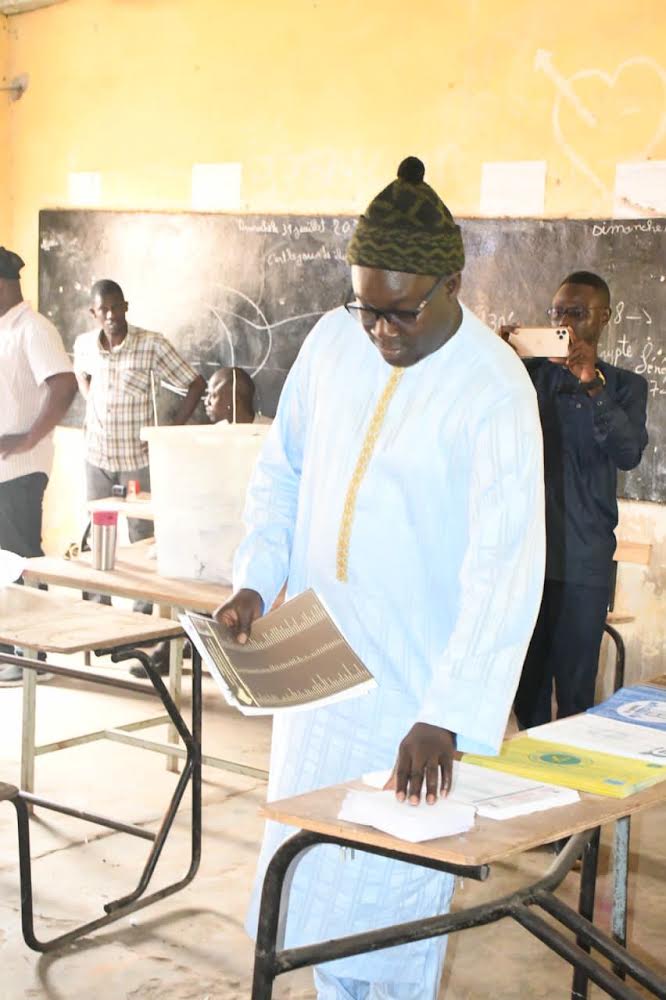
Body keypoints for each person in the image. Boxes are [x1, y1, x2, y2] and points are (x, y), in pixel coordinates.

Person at [215, 158, 546, 1000]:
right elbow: (282, 470)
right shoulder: (334, 342)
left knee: (393, 915)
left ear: (453, 284)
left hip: (412, 699)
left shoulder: (493, 388)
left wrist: (449, 712)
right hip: (318, 686)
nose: (381, 330)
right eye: (367, 306)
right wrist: (257, 577)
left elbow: (505, 565)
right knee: (309, 894)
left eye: (402, 310)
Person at [506, 272, 648, 729]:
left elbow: (628, 453)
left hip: (584, 563)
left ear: (604, 317)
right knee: (526, 690)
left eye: (577, 313)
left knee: (575, 694)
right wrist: (498, 360)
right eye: (558, 313)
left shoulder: (624, 386)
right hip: (526, 557)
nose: (565, 322)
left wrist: (592, 383)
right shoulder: (526, 377)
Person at [74, 279, 206, 610]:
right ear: (93, 313)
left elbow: (195, 383)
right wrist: (91, 400)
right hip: (97, 458)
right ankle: (97, 608)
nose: (111, 315)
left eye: (116, 307)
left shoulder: (151, 344)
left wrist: (171, 431)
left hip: (137, 461)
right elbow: (81, 373)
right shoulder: (84, 345)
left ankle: (142, 614)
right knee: (98, 534)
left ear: (126, 307)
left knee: (142, 537)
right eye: (104, 309)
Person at [134, 366, 265, 677]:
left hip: (256, 536)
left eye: (213, 394)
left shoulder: (267, 434)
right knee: (188, 560)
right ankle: (180, 644)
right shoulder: (208, 439)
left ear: (233, 399)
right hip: (221, 532)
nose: (206, 401)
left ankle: (197, 645)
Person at [0, 247, 77, 686]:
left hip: (21, 469)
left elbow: (64, 385)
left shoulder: (33, 329)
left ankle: (35, 655)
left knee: (21, 558)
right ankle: (11, 648)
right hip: (2, 469)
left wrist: (29, 438)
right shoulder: (3, 328)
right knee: (3, 563)